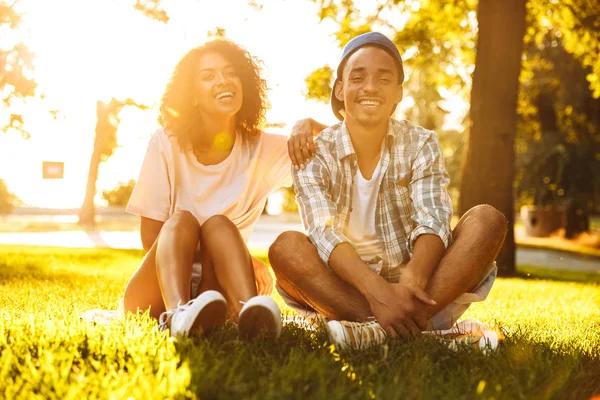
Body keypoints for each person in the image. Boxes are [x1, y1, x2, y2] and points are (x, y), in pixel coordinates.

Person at [268, 32, 508, 350]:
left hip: (423, 289)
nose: (370, 87)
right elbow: (323, 233)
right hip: (349, 289)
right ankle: (423, 331)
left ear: (398, 93)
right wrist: (376, 292)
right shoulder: (313, 151)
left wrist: (414, 279)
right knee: (286, 247)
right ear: (340, 89)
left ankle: (374, 329)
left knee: (487, 219)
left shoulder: (421, 142)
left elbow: (433, 218)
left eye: (384, 78)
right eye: (358, 77)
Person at [122, 39, 317, 339]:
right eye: (208, 75)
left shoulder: (262, 148)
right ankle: (177, 316)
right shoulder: (166, 142)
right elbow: (151, 239)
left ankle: (249, 314)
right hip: (158, 290)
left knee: (220, 226)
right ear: (193, 96)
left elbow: (340, 147)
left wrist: (308, 123)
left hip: (219, 290)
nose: (223, 80)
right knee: (184, 221)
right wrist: (242, 257)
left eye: (230, 72)